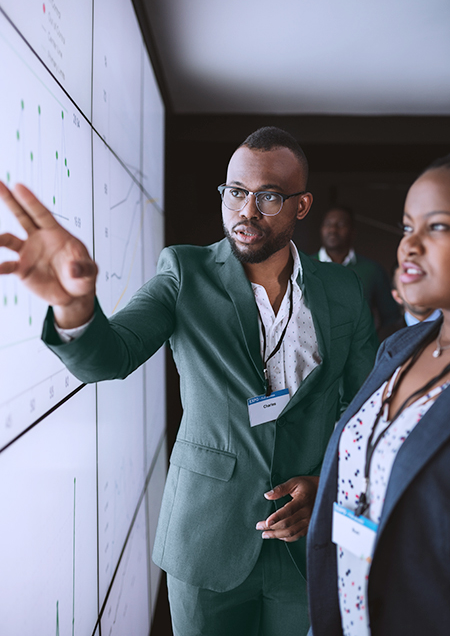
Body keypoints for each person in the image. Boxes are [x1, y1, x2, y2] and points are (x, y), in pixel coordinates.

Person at [0, 126, 378, 636]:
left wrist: (325, 485)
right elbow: (110, 357)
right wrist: (72, 305)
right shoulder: (185, 270)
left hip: (303, 541)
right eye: (235, 193)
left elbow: (365, 408)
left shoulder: (343, 288)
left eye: (267, 197)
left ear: (302, 205)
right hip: (207, 537)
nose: (245, 211)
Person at [307, 154, 450, 636]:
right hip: (342, 615)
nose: (409, 245)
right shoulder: (401, 346)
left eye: (438, 227)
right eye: (408, 225)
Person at [313, 206, 400, 338]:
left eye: (340, 224)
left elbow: (391, 318)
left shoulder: (372, 270)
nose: (333, 230)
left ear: (353, 231)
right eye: (328, 224)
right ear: (321, 229)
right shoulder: (302, 266)